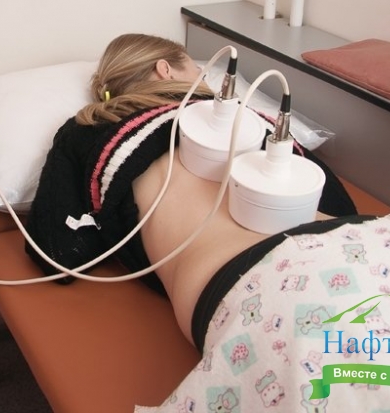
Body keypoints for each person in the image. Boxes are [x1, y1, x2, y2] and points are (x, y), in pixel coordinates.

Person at [23, 33, 362, 350]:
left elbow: (58, 253)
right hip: (348, 248)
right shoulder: (246, 120)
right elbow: (339, 205)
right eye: (199, 72)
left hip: (241, 284)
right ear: (165, 69)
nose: (206, 83)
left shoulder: (87, 130)